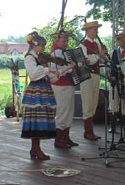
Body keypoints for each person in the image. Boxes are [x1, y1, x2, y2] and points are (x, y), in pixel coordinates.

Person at [21, 31, 73, 160]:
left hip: (43, 90)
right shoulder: (29, 58)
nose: (44, 48)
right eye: (42, 45)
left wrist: (66, 68)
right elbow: (33, 74)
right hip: (36, 91)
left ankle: (35, 149)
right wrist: (48, 69)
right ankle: (36, 149)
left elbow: (51, 77)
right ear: (35, 45)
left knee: (39, 120)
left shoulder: (39, 58)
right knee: (36, 121)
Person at [79, 21, 107, 140]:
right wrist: (99, 55)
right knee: (87, 103)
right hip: (86, 76)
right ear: (88, 31)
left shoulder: (96, 44)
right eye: (95, 29)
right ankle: (88, 132)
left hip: (96, 75)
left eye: (96, 29)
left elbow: (101, 59)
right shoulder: (83, 45)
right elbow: (87, 61)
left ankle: (90, 131)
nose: (97, 31)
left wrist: (105, 56)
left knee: (94, 102)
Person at [50, 30, 78, 148]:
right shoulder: (56, 53)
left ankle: (66, 137)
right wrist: (72, 69)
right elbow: (57, 70)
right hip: (61, 85)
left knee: (69, 111)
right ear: (57, 41)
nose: (66, 43)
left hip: (67, 85)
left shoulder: (62, 52)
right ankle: (59, 139)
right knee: (63, 112)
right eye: (64, 40)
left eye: (67, 40)